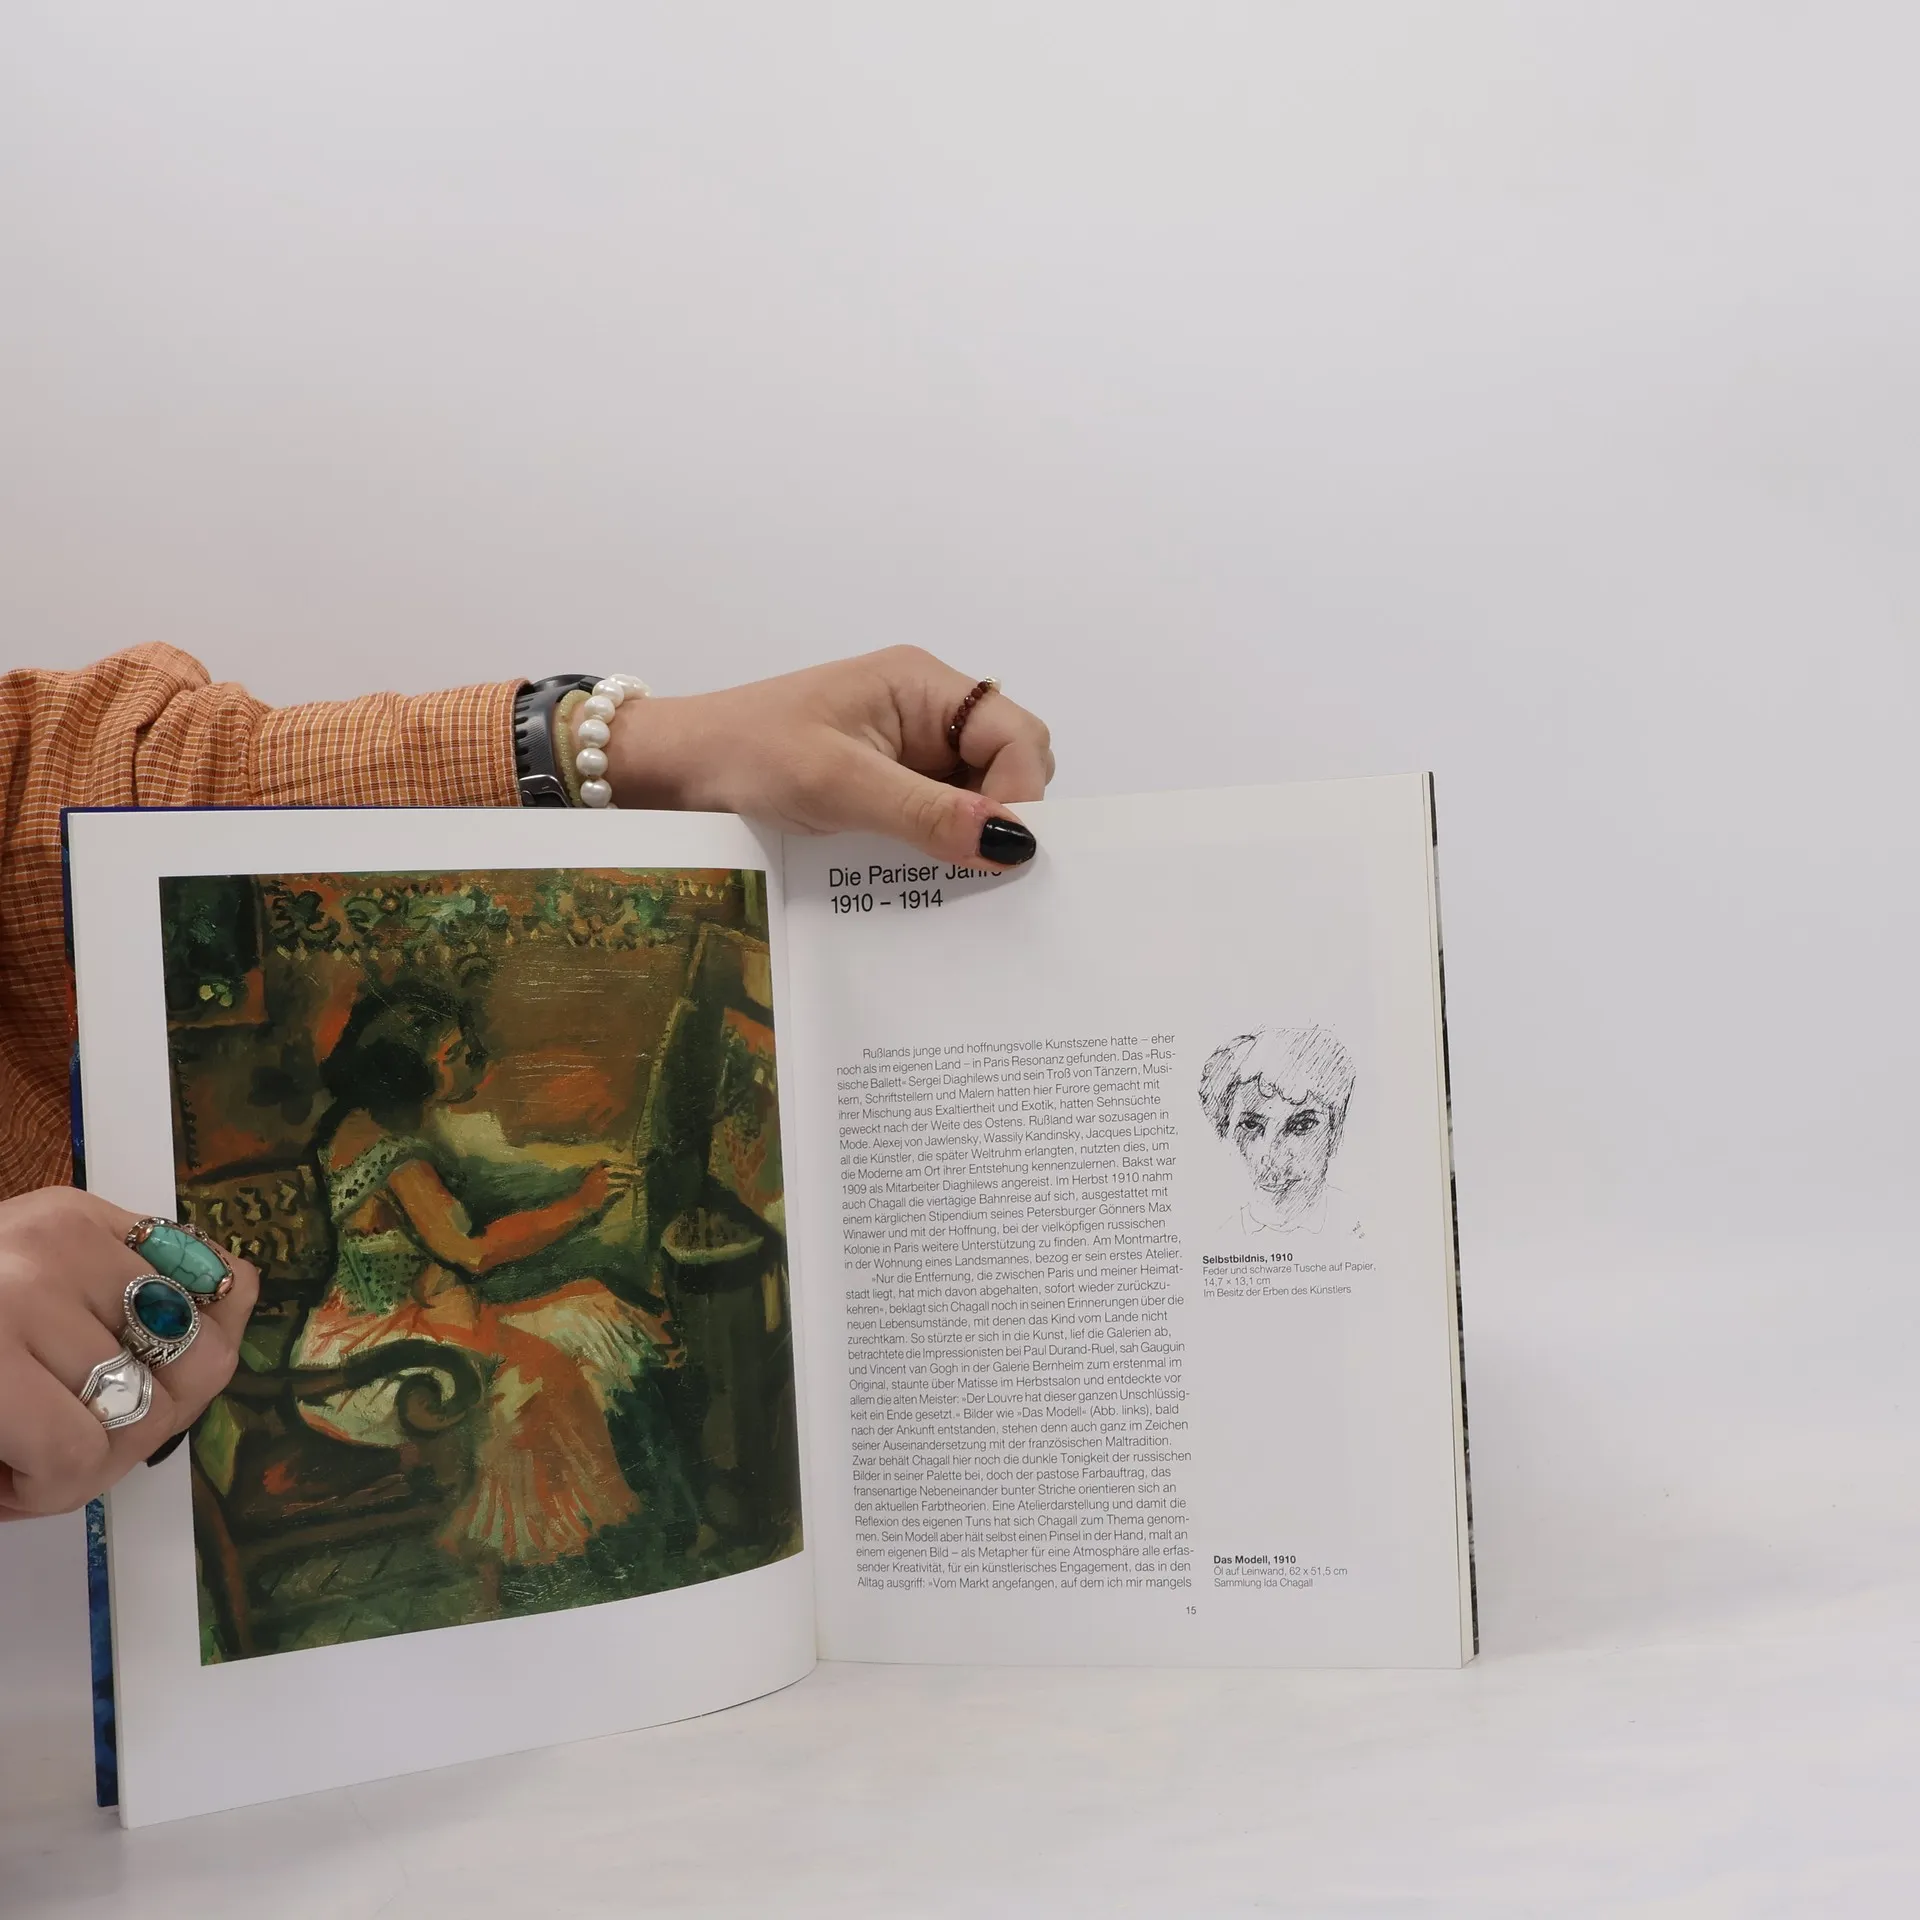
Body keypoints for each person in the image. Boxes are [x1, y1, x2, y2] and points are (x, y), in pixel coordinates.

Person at [0, 642, 1053, 1522]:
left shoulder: (378, 1125)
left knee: (603, 1308)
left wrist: (640, 745)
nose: (473, 1070)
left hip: (432, 1315)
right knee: (557, 1369)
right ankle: (569, 1541)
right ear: (417, 1066)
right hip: (380, 1349)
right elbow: (468, 1249)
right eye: (457, 1058)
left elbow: (74, 785)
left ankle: (656, 1517)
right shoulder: (390, 1150)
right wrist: (585, 1199)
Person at [1198, 1025, 1363, 1238]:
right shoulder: (1216, 1237)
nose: (1272, 1157)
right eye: (1251, 1126)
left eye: (1302, 1126)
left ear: (1335, 1132)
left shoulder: (1363, 1222)